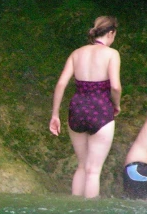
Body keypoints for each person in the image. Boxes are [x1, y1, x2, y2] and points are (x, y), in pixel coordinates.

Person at [49, 16, 122, 198]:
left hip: (77, 109)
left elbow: (60, 84)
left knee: (82, 166)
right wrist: (117, 104)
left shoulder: (77, 53)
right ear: (111, 33)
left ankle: (75, 209)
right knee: (93, 171)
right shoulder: (112, 54)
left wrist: (55, 114)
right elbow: (115, 86)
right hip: (100, 108)